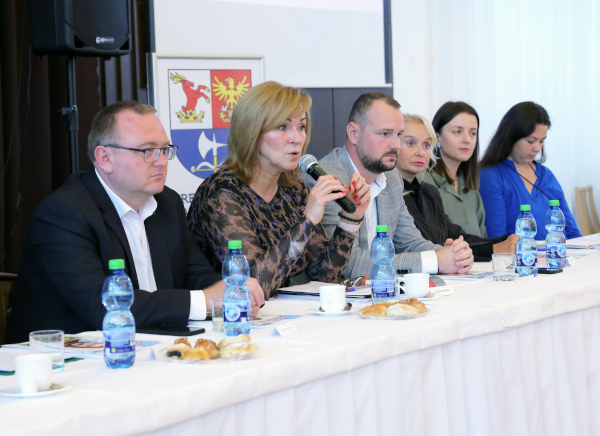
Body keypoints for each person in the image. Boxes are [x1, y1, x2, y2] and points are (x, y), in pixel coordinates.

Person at [6, 101, 265, 343]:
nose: (161, 161)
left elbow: (196, 275)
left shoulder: (167, 203)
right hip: (65, 359)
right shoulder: (64, 213)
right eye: (148, 150)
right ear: (105, 158)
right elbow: (104, 307)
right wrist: (205, 300)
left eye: (164, 150)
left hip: (151, 344)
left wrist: (232, 293)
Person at [187, 81, 370, 298]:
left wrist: (351, 218)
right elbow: (252, 286)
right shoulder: (222, 193)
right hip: (229, 314)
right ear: (252, 133)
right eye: (283, 127)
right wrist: (307, 221)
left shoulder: (294, 190)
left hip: (282, 311)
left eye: (301, 127)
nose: (297, 138)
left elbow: (324, 276)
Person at [304, 92, 474, 278]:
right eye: (385, 134)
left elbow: (410, 242)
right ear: (354, 133)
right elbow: (348, 264)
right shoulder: (326, 179)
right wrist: (435, 260)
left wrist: (451, 255)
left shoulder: (392, 177)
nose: (396, 145)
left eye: (398, 134)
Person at [397, 113, 518, 261]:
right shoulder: (389, 195)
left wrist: (504, 241)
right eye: (410, 143)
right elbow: (431, 246)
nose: (421, 152)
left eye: (426, 145)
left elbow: (457, 235)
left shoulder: (429, 192)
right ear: (393, 145)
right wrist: (494, 249)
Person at [479, 102, 581, 240]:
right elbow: (498, 240)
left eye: (541, 141)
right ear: (511, 136)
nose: (537, 148)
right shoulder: (491, 176)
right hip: (523, 254)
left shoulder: (546, 175)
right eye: (531, 141)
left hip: (561, 251)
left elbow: (572, 232)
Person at [423, 102, 487, 237]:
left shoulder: (471, 188)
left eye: (473, 133)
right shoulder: (424, 181)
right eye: (457, 131)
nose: (467, 140)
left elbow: (483, 239)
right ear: (437, 137)